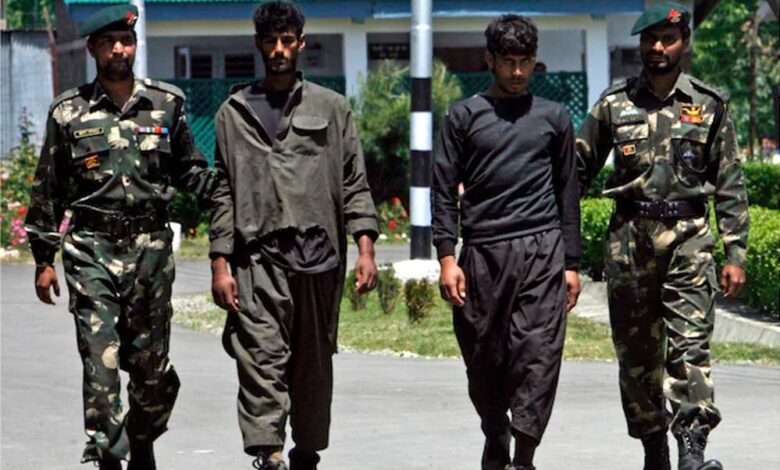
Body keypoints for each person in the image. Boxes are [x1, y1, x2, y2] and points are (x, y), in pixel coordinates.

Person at [24, 4, 217, 469]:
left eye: (126, 42)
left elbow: (191, 172)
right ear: (93, 49)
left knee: (152, 371)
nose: (118, 50)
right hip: (91, 249)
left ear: (134, 46)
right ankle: (110, 456)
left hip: (151, 252)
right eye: (109, 42)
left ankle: (142, 437)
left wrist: (236, 193)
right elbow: (48, 189)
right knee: (101, 362)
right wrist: (44, 259)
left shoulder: (166, 104)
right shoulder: (68, 112)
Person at [576, 3, 749, 470]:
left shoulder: (709, 105)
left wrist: (735, 251)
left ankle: (692, 447)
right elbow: (575, 171)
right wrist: (562, 243)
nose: (658, 47)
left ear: (683, 43)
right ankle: (653, 447)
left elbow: (730, 182)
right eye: (650, 39)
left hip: (689, 240)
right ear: (640, 44)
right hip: (629, 243)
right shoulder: (614, 104)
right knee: (637, 356)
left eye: (667, 39)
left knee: (690, 346)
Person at [208, 2, 379, 469]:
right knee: (259, 355)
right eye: (271, 41)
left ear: (301, 43)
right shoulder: (233, 112)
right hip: (257, 258)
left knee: (312, 362)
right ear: (259, 45)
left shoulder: (331, 108)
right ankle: (268, 452)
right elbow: (223, 191)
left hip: (318, 256)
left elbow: (355, 181)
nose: (279, 49)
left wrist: (365, 249)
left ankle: (306, 451)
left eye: (287, 41)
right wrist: (220, 263)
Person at [432, 14, 581, 470]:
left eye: (526, 62)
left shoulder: (554, 117)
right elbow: (443, 190)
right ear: (490, 60)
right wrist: (446, 257)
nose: (518, 72)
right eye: (509, 62)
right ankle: (495, 430)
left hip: (541, 250)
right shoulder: (463, 116)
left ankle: (524, 458)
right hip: (483, 255)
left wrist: (571, 263)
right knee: (485, 361)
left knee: (538, 356)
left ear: (535, 61)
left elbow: (568, 192)